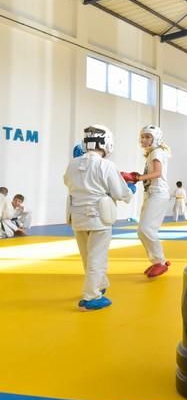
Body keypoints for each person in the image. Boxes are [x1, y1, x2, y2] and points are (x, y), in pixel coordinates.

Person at [64, 125, 133, 310]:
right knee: (97, 257)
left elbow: (67, 181)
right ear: (106, 142)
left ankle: (99, 286)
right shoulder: (106, 165)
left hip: (77, 217)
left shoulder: (73, 163)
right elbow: (119, 192)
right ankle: (90, 297)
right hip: (99, 218)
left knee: (87, 256)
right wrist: (129, 191)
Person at [123, 125, 171, 278]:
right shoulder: (152, 153)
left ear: (155, 138)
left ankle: (160, 262)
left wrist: (136, 178)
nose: (143, 139)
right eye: (142, 136)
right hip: (152, 194)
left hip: (158, 194)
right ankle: (158, 261)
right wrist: (137, 175)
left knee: (146, 229)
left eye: (147, 137)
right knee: (142, 230)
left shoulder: (157, 152)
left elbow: (157, 173)